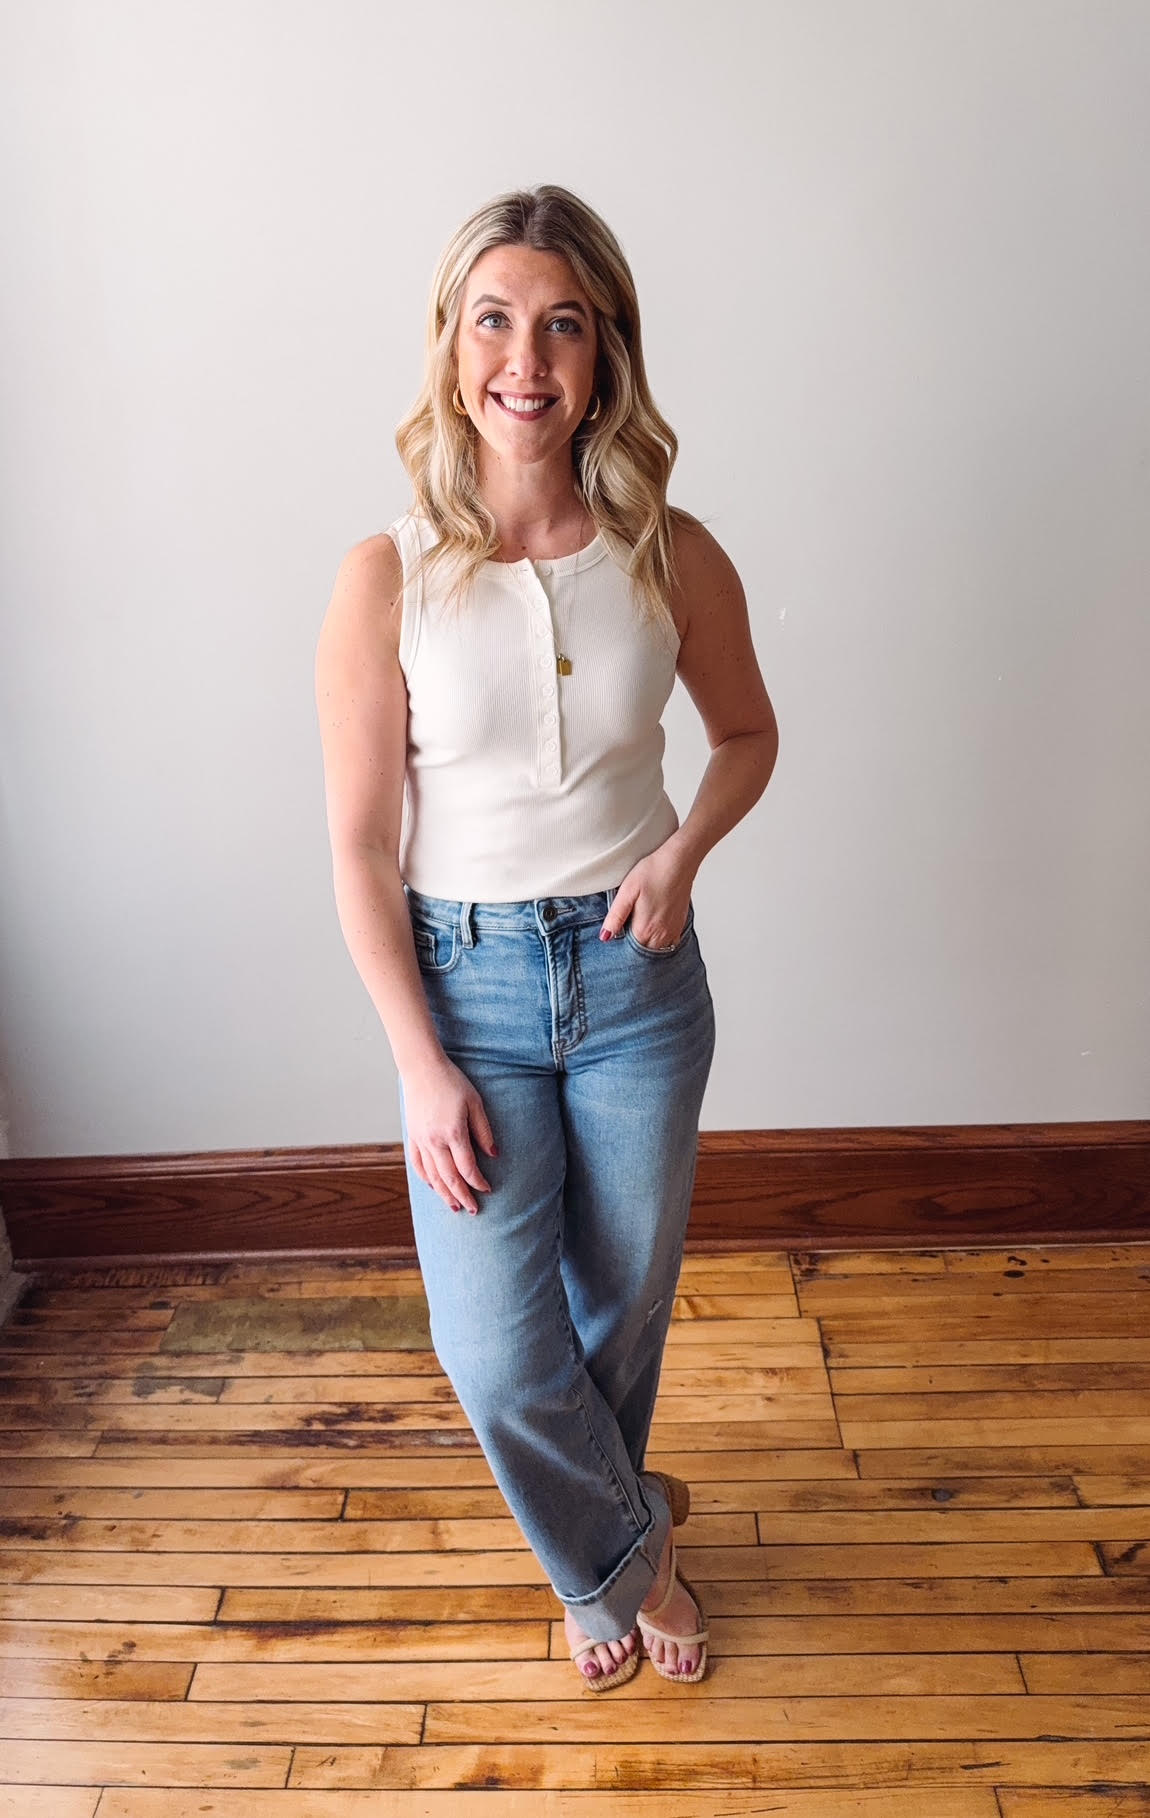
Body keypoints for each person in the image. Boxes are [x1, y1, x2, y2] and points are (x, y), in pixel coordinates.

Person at [315, 184, 778, 1691]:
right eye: (495, 318)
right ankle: (631, 1550)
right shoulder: (385, 576)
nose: (528, 355)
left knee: (616, 1314)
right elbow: (358, 846)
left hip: (641, 981)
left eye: (564, 323)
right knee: (500, 1350)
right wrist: (416, 1061)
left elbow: (747, 736)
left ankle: (600, 1566)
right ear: (452, 346)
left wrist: (685, 850)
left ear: (605, 355)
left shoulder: (669, 549)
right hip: (466, 988)